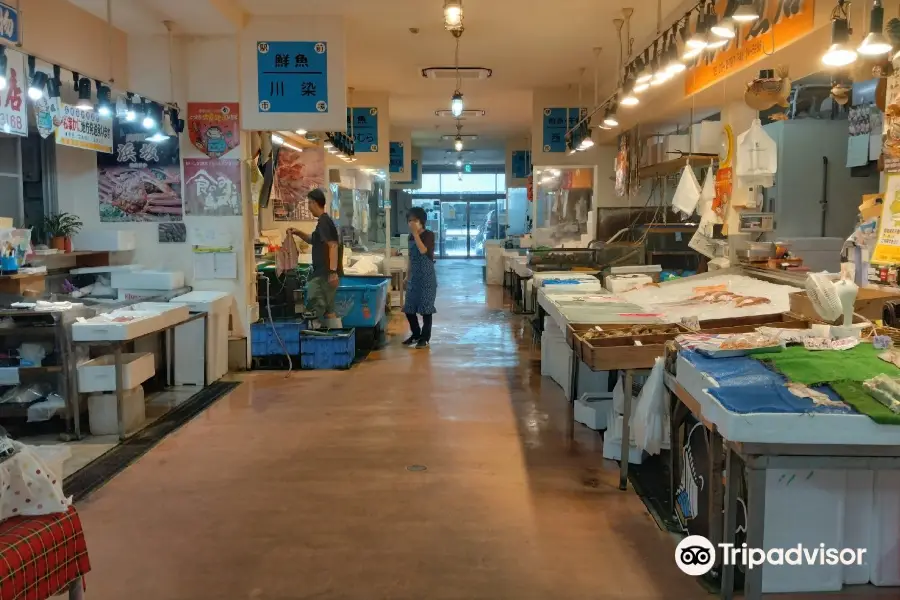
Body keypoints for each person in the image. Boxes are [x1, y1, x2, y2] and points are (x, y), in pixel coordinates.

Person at [288, 188, 343, 329]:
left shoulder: (324, 222)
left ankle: (315, 336)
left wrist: (332, 272)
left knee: (315, 305)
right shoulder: (323, 222)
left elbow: (333, 246)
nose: (308, 207)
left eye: (309, 203)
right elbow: (314, 239)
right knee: (329, 310)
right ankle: (337, 340)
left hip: (323, 274)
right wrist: (298, 232)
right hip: (324, 273)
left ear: (314, 203)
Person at [403, 207, 437, 349]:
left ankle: (425, 338)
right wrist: (407, 275)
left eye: (415, 220)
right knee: (409, 309)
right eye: (410, 220)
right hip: (414, 278)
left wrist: (416, 234)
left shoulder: (429, 235)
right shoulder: (410, 237)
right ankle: (416, 334)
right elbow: (411, 257)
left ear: (422, 221)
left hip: (427, 278)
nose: (412, 223)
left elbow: (423, 250)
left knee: (426, 309)